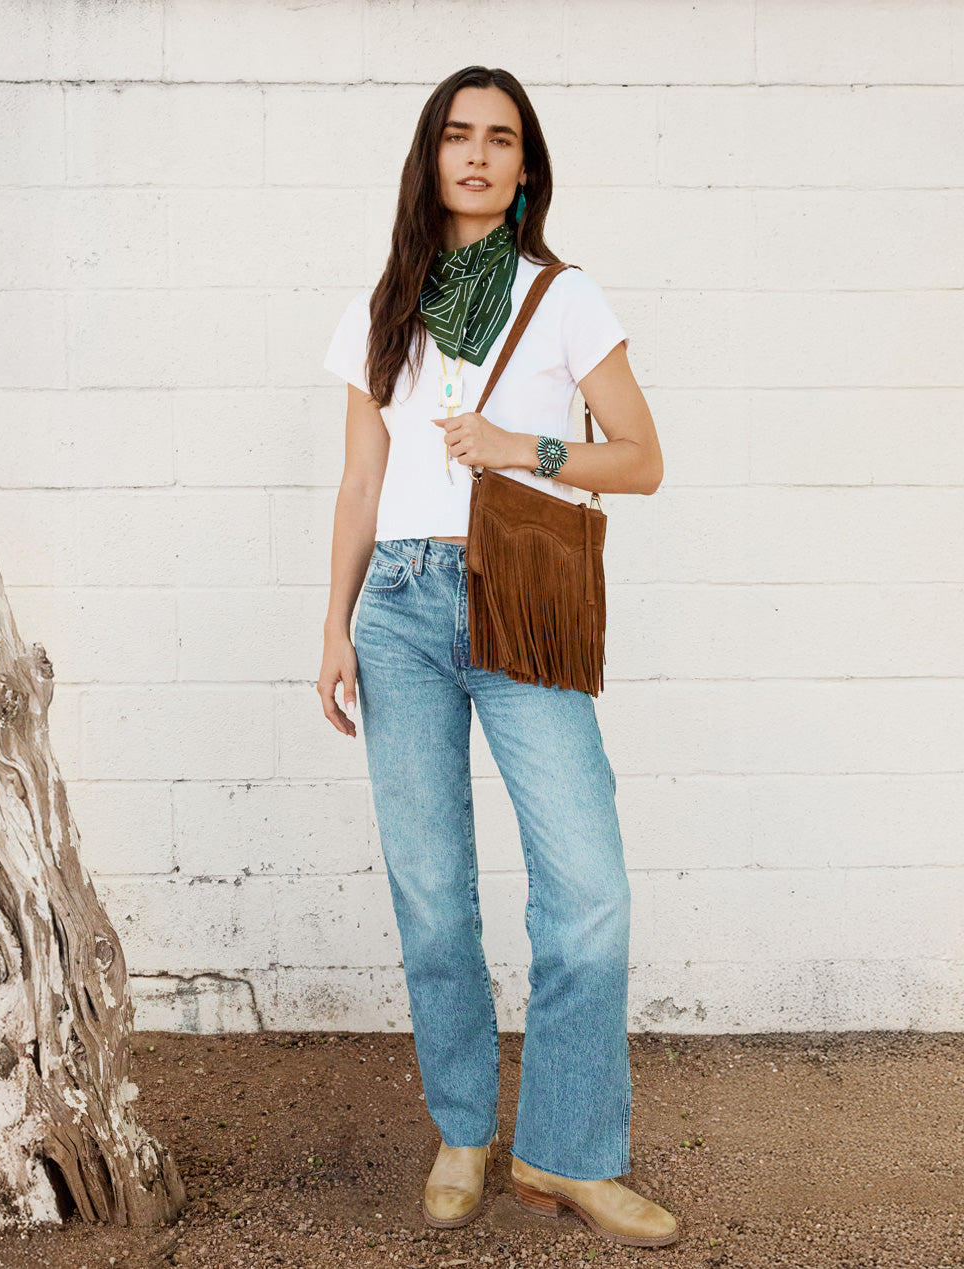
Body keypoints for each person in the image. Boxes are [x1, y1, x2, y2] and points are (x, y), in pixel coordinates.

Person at [318, 65, 676, 1249]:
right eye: (457, 136)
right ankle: (463, 1127)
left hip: (517, 601)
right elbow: (361, 479)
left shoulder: (562, 296)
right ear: (432, 157)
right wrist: (334, 625)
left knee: (588, 890)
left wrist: (519, 446)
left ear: (527, 168)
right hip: (401, 610)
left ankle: (566, 1153)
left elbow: (639, 458)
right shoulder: (385, 301)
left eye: (501, 139)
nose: (476, 155)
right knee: (432, 896)